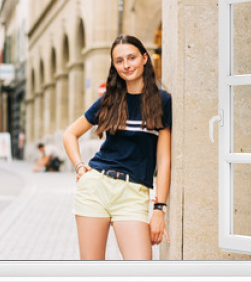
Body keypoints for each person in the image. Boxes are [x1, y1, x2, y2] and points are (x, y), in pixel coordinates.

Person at [63, 34, 172, 260]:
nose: (126, 65)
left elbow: (163, 160)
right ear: (114, 66)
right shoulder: (109, 100)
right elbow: (70, 134)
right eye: (119, 61)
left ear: (144, 58)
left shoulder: (162, 101)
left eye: (131, 58)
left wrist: (160, 209)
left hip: (133, 193)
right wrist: (79, 167)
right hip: (95, 189)